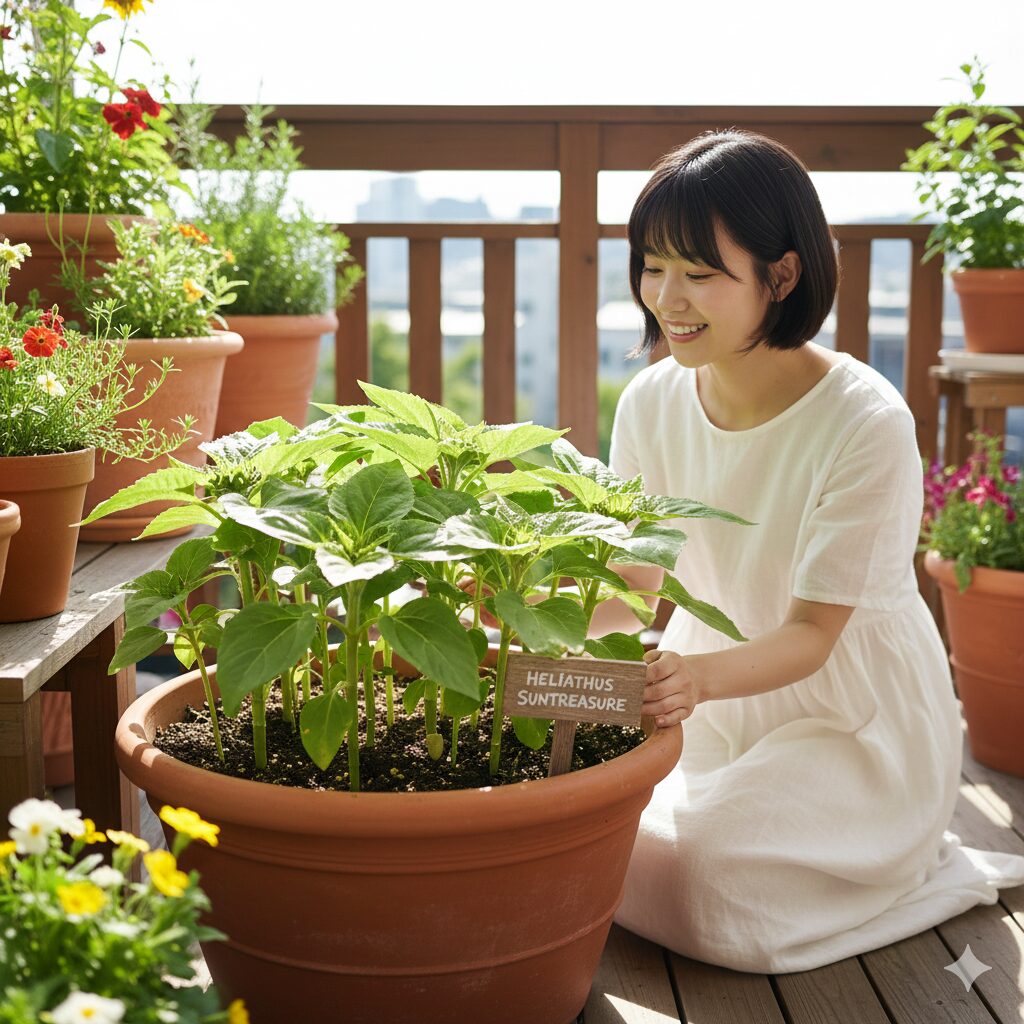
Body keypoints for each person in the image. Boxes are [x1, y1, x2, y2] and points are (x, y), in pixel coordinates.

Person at [593, 129, 1024, 974]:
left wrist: (694, 679)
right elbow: (634, 585)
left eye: (699, 272)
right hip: (709, 705)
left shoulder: (865, 421)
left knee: (703, 882)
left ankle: (904, 863)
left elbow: (815, 636)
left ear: (780, 276)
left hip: (848, 723)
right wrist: (514, 618)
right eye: (652, 266)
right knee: (585, 833)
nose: (666, 298)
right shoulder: (650, 402)